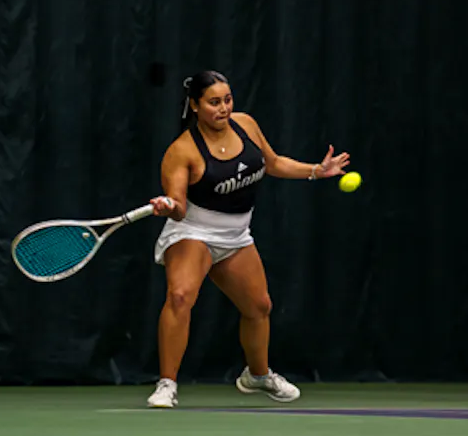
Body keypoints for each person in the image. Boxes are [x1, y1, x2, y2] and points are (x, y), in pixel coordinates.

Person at [144, 70, 350, 408]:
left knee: (259, 307)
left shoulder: (246, 125)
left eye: (227, 100)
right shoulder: (181, 151)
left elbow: (273, 163)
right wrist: (168, 205)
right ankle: (167, 384)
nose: (223, 108)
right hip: (193, 231)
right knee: (180, 296)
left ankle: (257, 376)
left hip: (236, 234)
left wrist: (317, 170)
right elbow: (179, 207)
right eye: (213, 102)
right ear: (195, 106)